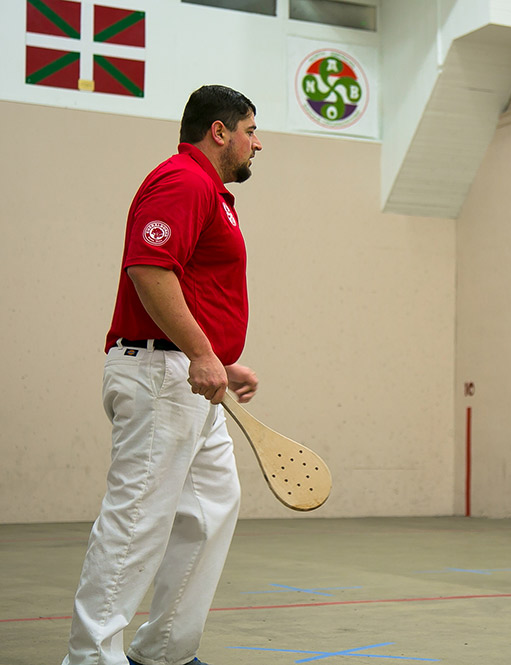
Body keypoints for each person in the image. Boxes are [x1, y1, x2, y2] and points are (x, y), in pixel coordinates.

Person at [63, 85, 264, 665]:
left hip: (191, 379)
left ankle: (165, 651)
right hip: (159, 376)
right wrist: (203, 354)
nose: (258, 143)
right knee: (136, 522)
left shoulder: (213, 192)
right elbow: (150, 269)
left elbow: (193, 287)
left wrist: (217, 358)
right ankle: (91, 658)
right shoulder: (183, 180)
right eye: (250, 130)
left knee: (210, 511)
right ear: (220, 131)